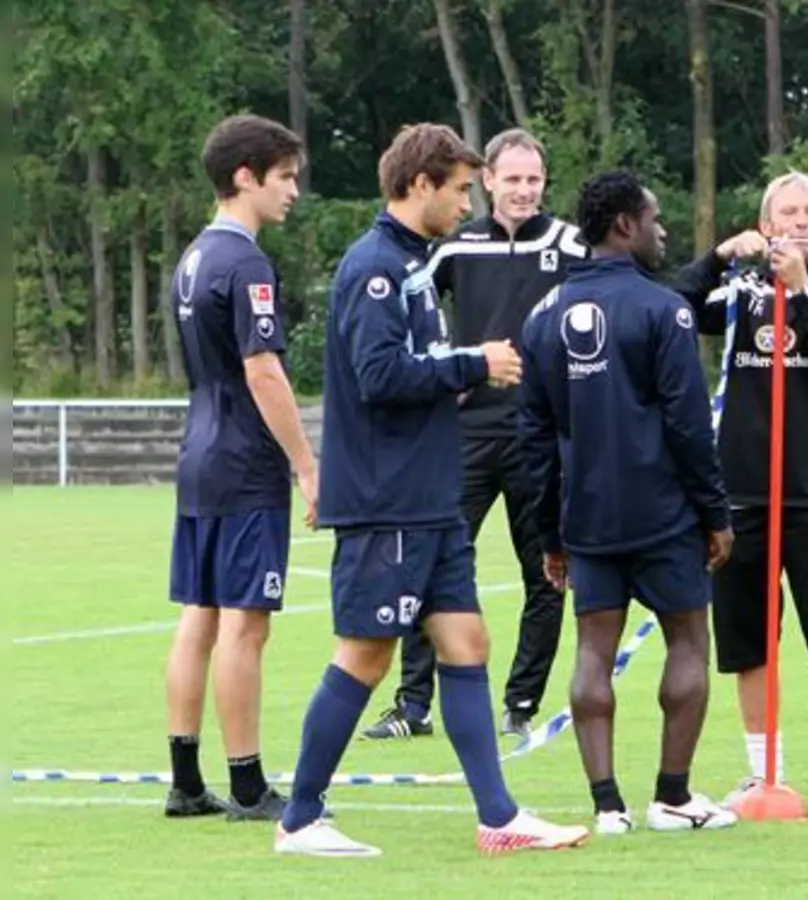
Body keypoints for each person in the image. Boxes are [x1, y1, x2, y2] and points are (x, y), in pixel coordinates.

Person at [273, 123, 590, 857]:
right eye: (458, 189)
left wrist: (452, 374)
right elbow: (380, 376)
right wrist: (473, 364)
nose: (466, 203)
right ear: (420, 185)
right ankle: (300, 818)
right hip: (388, 499)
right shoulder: (376, 268)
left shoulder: (413, 263)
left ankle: (499, 817)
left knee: (465, 640)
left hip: (431, 497)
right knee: (366, 654)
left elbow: (412, 369)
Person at [518, 170, 738, 836]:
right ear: (624, 225)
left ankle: (607, 806)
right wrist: (715, 514)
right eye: (654, 219)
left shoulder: (542, 317)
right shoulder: (664, 310)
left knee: (592, 651)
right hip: (664, 514)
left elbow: (534, 439)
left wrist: (549, 534)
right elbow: (689, 425)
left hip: (586, 519)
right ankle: (672, 797)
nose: (662, 231)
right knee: (688, 643)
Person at [362, 128, 587, 743]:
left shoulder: (570, 244)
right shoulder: (456, 246)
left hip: (541, 436)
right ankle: (413, 706)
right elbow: (405, 308)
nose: (523, 190)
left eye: (533, 179)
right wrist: (440, 370)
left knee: (546, 573)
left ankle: (521, 703)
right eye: (511, 179)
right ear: (488, 180)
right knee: (428, 563)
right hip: (463, 435)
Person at [672, 171, 808, 820]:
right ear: (765, 224)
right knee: (748, 642)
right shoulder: (740, 294)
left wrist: (803, 292)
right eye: (787, 212)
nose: (800, 222)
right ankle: (767, 770)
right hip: (741, 495)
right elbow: (670, 308)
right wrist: (718, 257)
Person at [163, 113, 319, 822]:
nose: (293, 191)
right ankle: (249, 785)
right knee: (245, 624)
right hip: (244, 462)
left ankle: (185, 781)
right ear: (245, 177)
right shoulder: (247, 263)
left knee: (199, 615)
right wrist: (306, 465)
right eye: (284, 177)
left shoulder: (194, 257)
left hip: (198, 452)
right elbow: (263, 373)